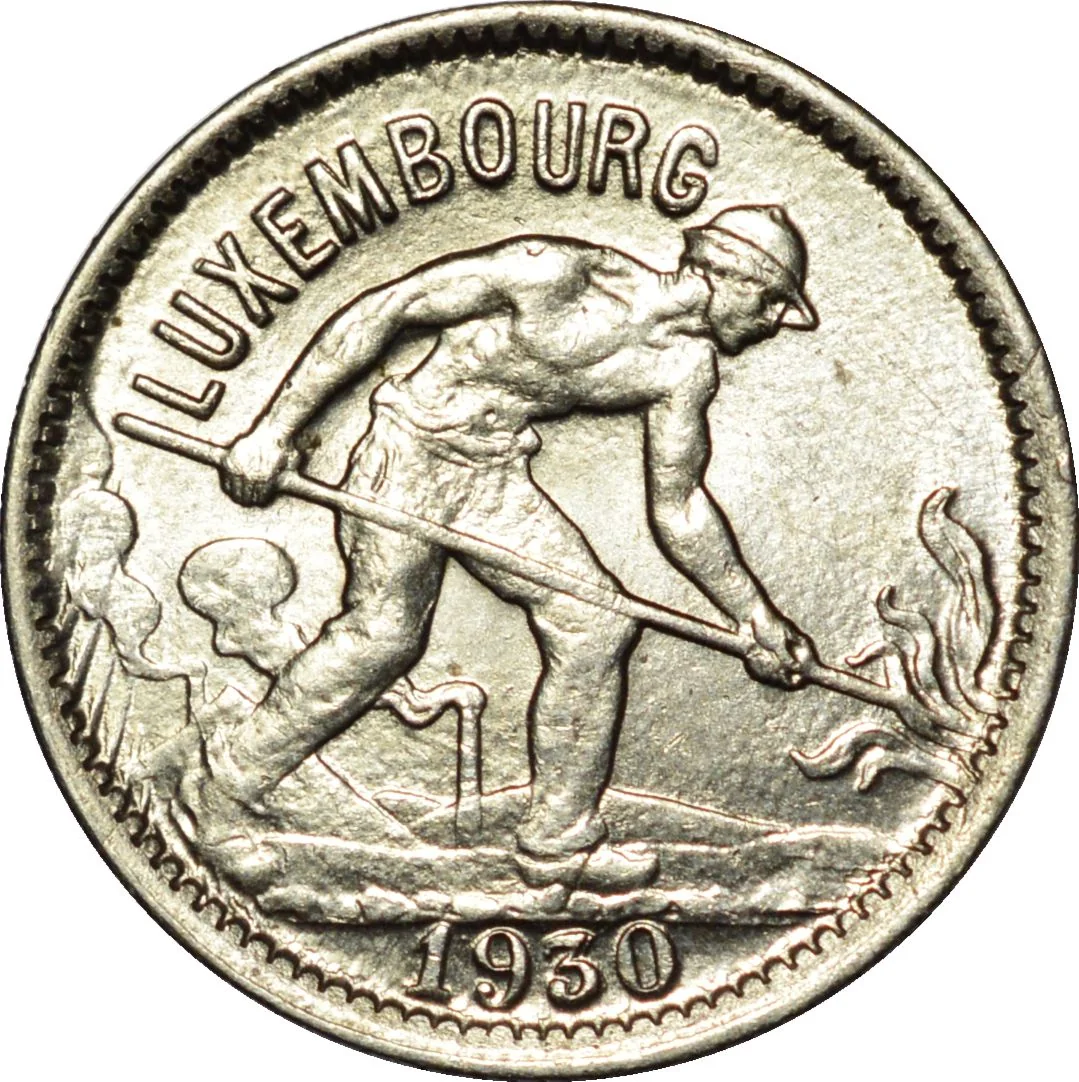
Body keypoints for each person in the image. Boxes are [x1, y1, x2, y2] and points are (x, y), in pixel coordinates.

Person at [214, 204, 820, 890]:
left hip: (492, 473)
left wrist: (753, 615)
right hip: (409, 449)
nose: (777, 321)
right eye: (774, 301)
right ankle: (227, 784)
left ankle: (558, 840)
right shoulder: (555, 273)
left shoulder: (685, 368)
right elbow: (389, 308)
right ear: (733, 274)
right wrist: (273, 430)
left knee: (595, 624)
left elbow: (678, 507)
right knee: (384, 637)